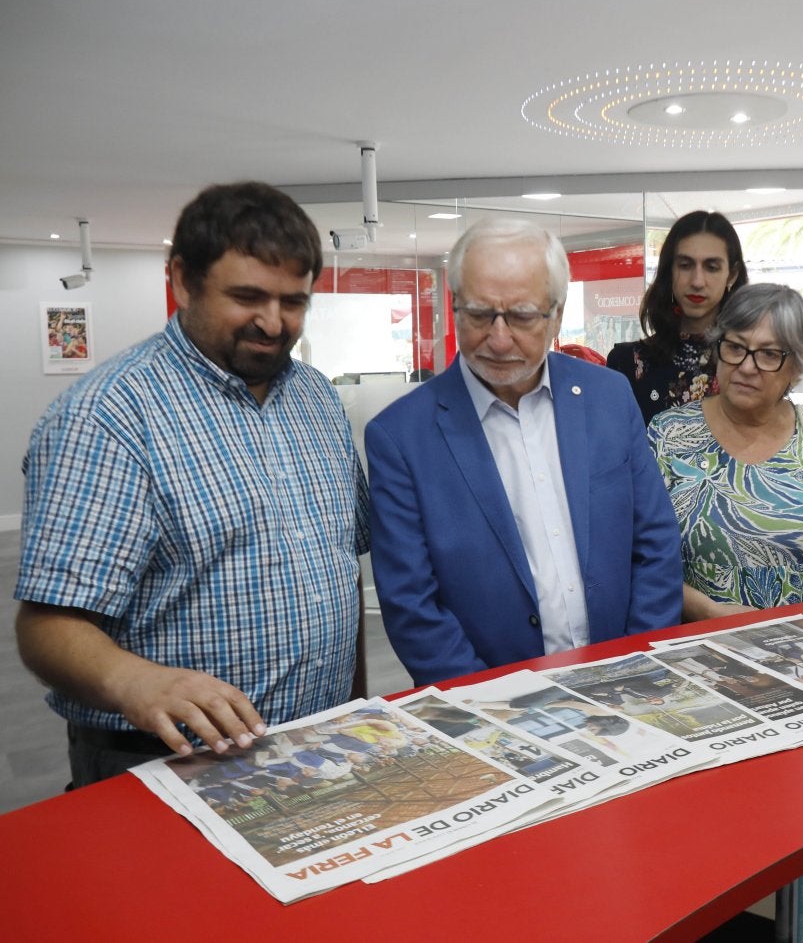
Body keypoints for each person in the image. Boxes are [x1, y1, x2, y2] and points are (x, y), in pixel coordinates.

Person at [15, 181, 370, 787]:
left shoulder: (316, 396)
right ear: (182, 280)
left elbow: (342, 568)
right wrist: (136, 682)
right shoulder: (106, 416)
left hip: (319, 740)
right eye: (247, 297)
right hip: (165, 760)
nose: (272, 322)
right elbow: (46, 626)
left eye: (294, 302)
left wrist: (356, 707)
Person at [366, 218, 682, 686]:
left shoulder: (609, 397)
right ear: (454, 307)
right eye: (479, 314)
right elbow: (413, 606)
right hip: (487, 707)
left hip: (623, 684)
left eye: (522, 316)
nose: (498, 339)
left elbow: (655, 544)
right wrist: (499, 706)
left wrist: (632, 669)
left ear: (557, 315)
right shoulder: (400, 436)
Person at [648, 283, 803, 620]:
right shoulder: (669, 433)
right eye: (735, 347)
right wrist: (708, 611)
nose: (747, 366)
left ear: (796, 366)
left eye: (769, 354)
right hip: (701, 638)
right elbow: (639, 552)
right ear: (717, 349)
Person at [606, 210, 749, 423]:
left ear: (732, 275)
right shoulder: (627, 363)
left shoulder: (751, 363)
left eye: (711, 267)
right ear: (670, 271)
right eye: (685, 265)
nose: (697, 281)